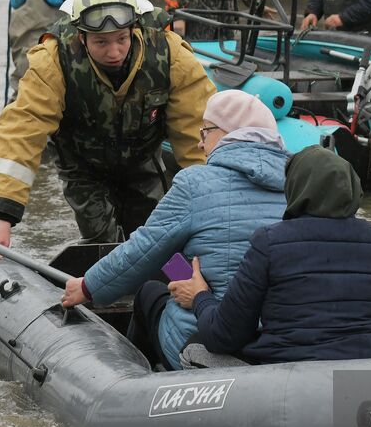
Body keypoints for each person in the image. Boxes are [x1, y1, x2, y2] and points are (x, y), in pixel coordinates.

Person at [0, 0, 215, 247]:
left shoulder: (170, 54)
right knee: (102, 241)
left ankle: (171, 283)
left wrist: (209, 204)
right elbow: (23, 128)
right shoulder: (53, 59)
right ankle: (99, 284)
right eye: (101, 42)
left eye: (121, 39)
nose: (114, 52)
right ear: (82, 38)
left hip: (142, 160)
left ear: (134, 30)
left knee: (158, 239)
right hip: (83, 167)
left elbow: (197, 131)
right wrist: (3, 215)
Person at [60, 91, 288, 370]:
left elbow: (143, 248)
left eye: (205, 132)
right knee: (173, 264)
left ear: (227, 133)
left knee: (148, 292)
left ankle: (139, 384)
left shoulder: (195, 183)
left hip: (205, 338)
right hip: (276, 342)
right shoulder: (296, 183)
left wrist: (88, 286)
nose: (200, 143)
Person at [169, 146, 371, 364]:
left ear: (294, 187)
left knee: (189, 341)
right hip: (363, 372)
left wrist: (200, 297)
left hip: (287, 378)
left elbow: (223, 336)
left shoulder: (270, 241)